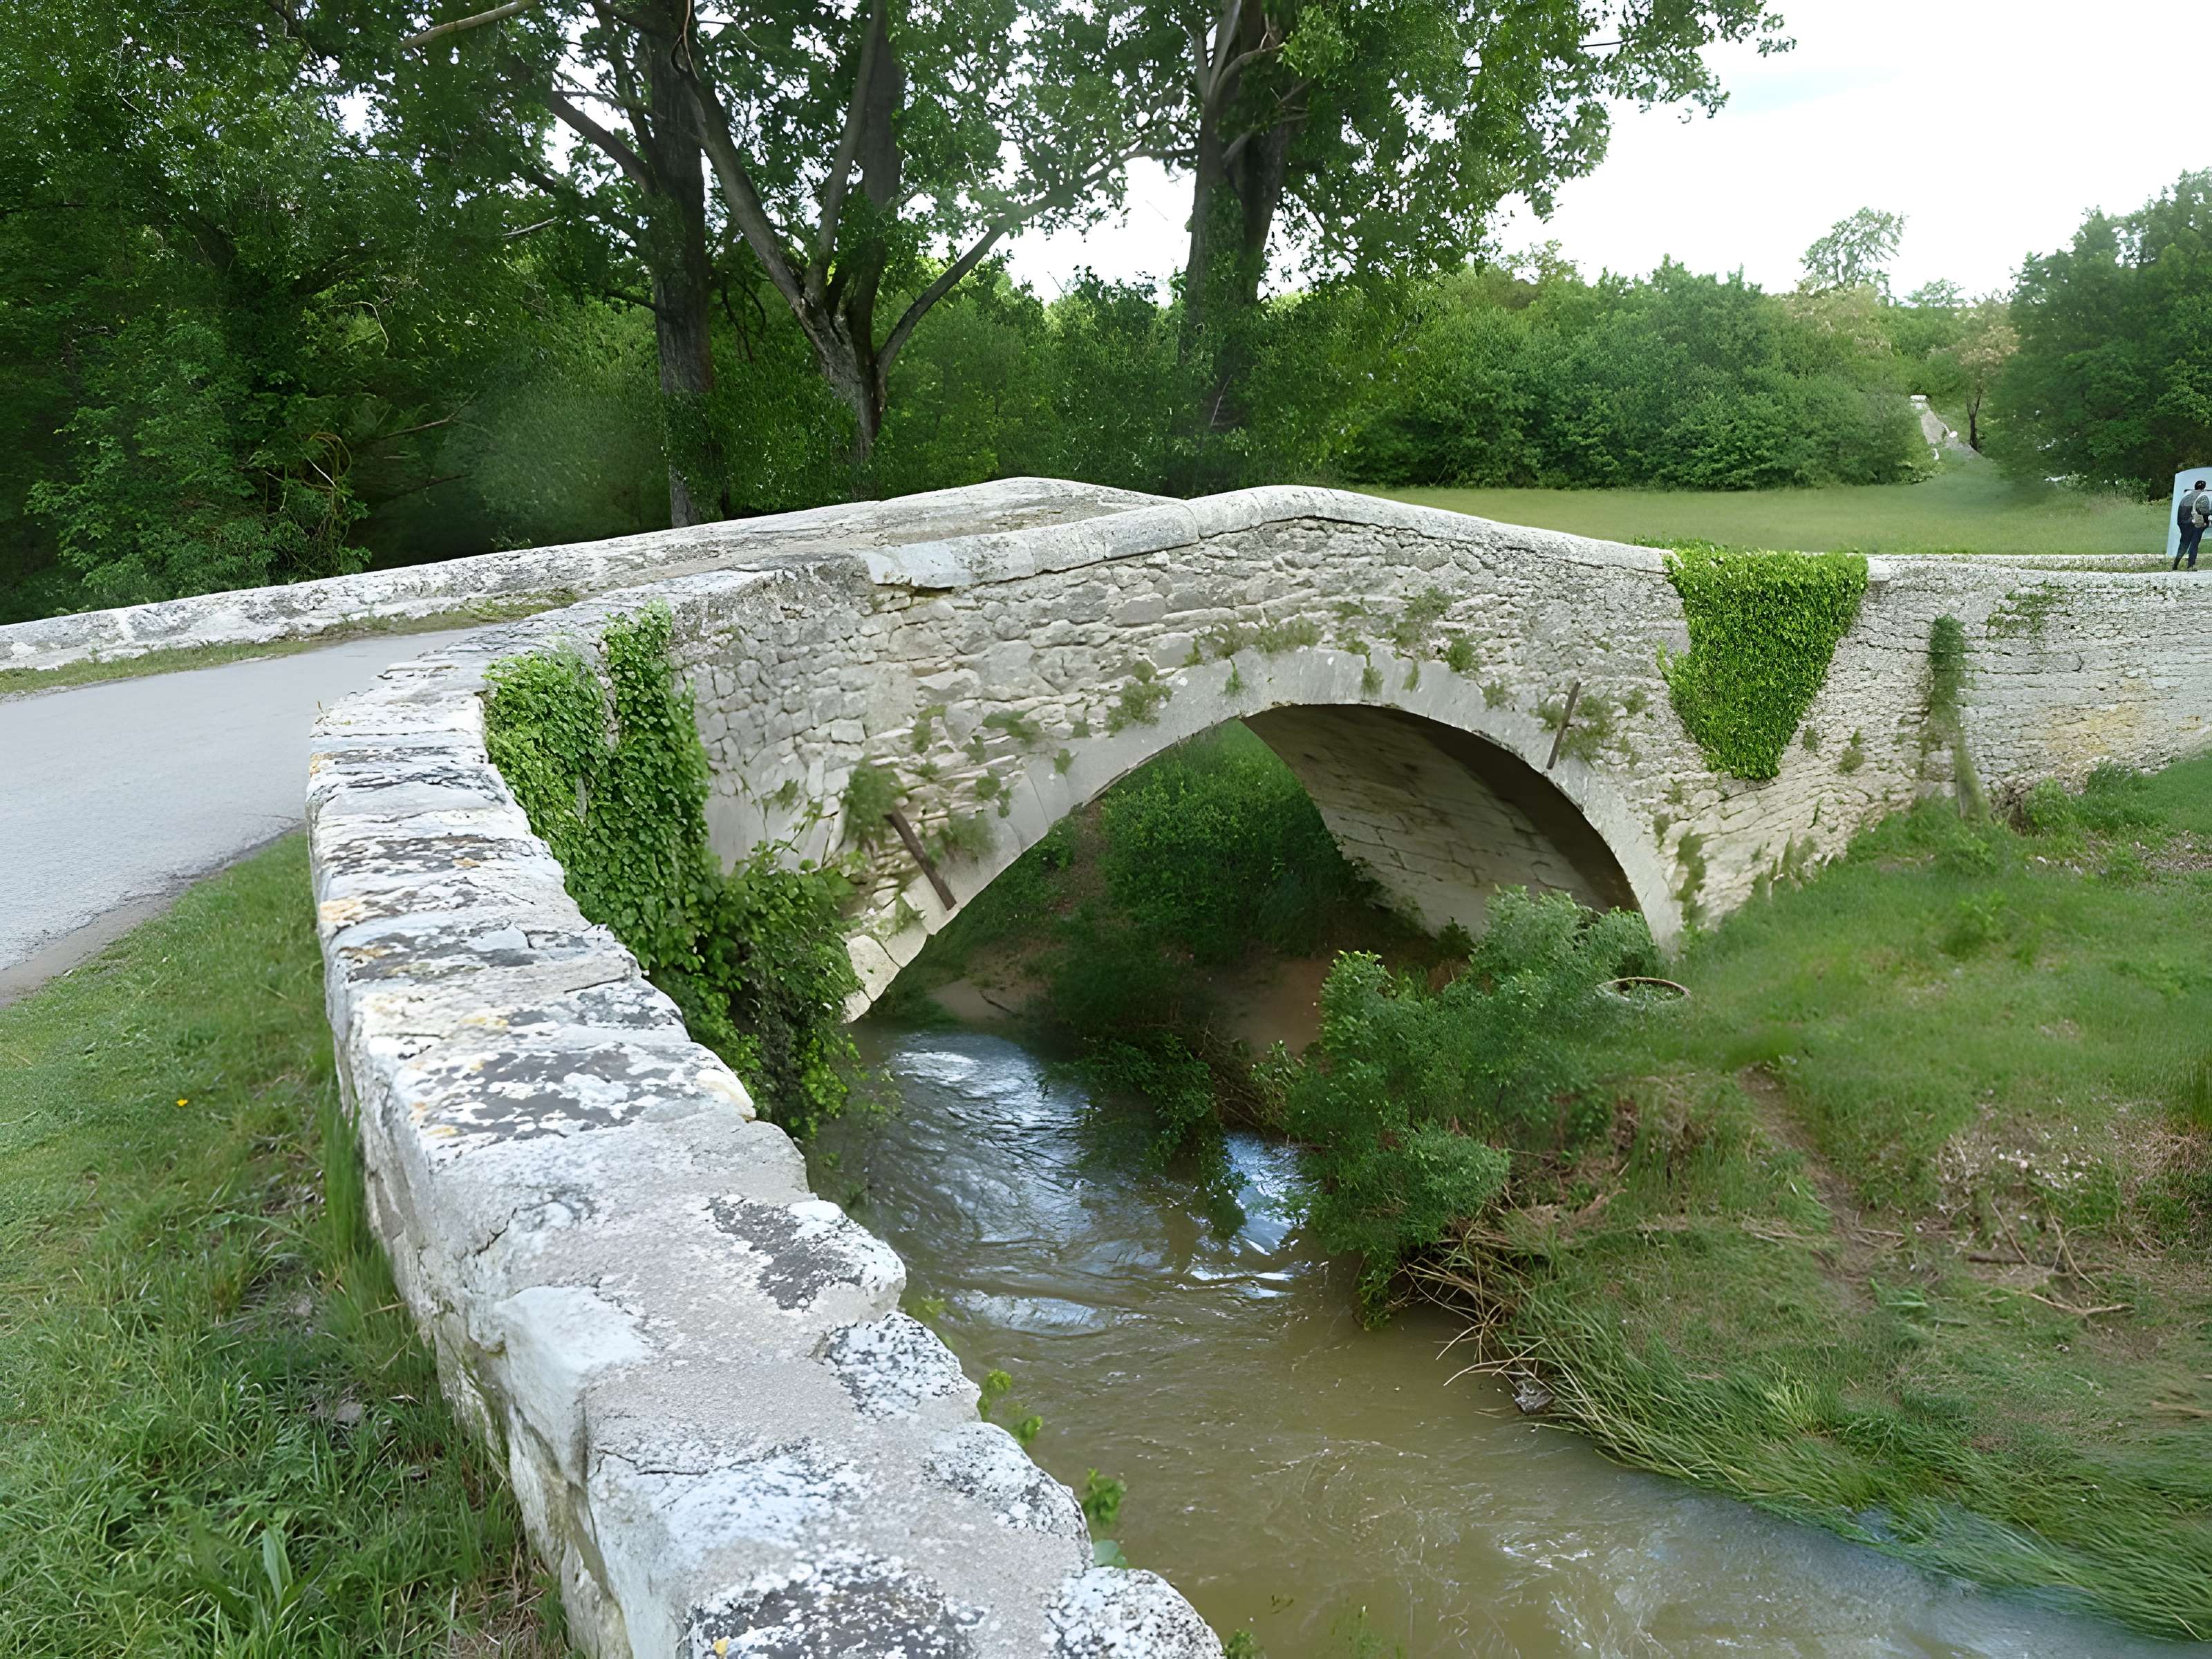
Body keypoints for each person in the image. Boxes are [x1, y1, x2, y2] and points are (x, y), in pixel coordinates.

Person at [2179, 479, 2212, 571]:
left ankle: (2184, 564)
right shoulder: (2203, 496)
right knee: (2195, 542)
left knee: (2189, 543)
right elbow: (2203, 511)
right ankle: (2191, 565)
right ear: (2203, 488)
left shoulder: (2189, 496)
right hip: (2198, 519)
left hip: (2191, 521)